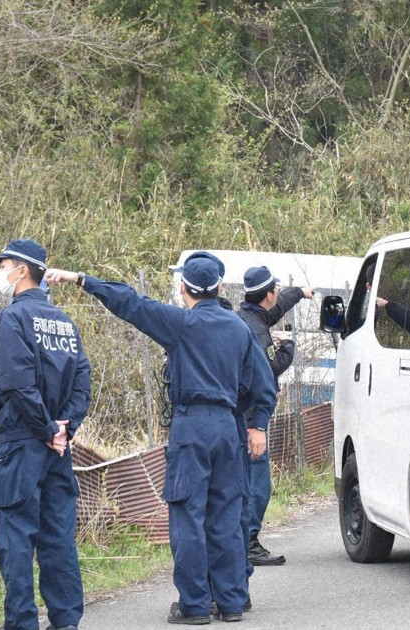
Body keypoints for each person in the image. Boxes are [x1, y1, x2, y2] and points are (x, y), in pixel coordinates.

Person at [45, 251, 276, 625]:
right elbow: (263, 386)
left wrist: (82, 279)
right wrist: (257, 425)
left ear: (184, 289)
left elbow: (131, 304)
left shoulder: (179, 324)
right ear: (219, 288)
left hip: (191, 430)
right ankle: (232, 603)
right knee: (227, 518)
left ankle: (196, 606)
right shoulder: (240, 329)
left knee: (188, 517)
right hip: (228, 430)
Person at [0, 239, 91, 630]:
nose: (1, 273)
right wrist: (65, 428)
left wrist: (48, 429)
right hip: (56, 448)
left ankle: (22, 623)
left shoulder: (13, 319)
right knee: (57, 537)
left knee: (15, 541)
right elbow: (83, 381)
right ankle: (65, 621)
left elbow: (16, 383)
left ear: (23, 271)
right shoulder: (64, 321)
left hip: (21, 444)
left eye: (6, 265)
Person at [236, 266, 313, 566]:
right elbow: (270, 369)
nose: (278, 296)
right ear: (267, 295)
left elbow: (278, 307)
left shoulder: (249, 315)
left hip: (242, 415)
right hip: (252, 418)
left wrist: (300, 293)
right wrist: (289, 346)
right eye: (277, 291)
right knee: (259, 484)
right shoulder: (256, 330)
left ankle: (242, 540)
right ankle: (249, 541)